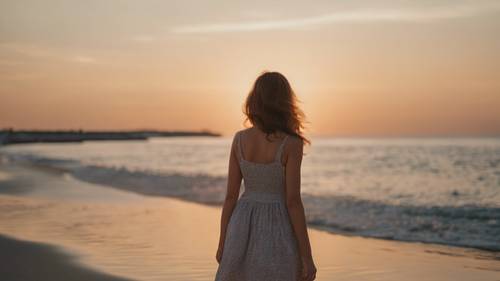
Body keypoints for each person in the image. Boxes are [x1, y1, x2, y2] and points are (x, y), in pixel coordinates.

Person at [214, 71, 317, 281]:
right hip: (278, 224)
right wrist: (307, 257)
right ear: (285, 102)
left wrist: (223, 241)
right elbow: (293, 201)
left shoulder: (240, 139)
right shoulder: (291, 143)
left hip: (242, 221)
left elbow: (230, 197)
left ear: (255, 101)